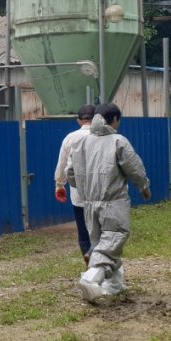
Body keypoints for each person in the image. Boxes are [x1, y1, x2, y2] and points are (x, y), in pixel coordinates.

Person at [66, 102, 151, 303]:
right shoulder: (117, 140)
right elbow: (134, 167)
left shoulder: (80, 142)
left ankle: (113, 285)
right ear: (114, 120)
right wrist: (144, 186)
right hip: (112, 202)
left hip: (88, 204)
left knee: (101, 243)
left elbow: (70, 173)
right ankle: (91, 278)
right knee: (114, 239)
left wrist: (86, 188)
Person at [54, 104, 96, 266]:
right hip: (102, 194)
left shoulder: (70, 138)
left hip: (78, 194)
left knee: (83, 232)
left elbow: (63, 164)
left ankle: (89, 264)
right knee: (102, 231)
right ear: (97, 118)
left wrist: (59, 184)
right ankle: (104, 266)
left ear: (79, 121)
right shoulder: (104, 136)